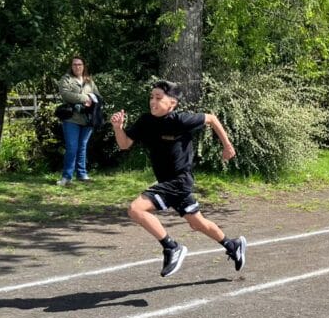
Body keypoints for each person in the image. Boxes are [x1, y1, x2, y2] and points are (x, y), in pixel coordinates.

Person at [109, 80, 247, 278]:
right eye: (151, 97)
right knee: (197, 223)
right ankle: (232, 245)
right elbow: (124, 144)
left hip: (179, 181)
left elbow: (211, 118)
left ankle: (171, 247)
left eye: (158, 98)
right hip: (168, 183)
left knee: (136, 209)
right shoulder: (145, 121)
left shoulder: (180, 120)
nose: (153, 101)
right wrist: (118, 127)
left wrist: (227, 146)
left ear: (172, 103)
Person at [57, 55, 103, 186]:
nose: (77, 67)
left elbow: (98, 96)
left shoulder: (89, 81)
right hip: (71, 119)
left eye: (79, 64)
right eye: (75, 64)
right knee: (72, 147)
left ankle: (82, 175)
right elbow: (65, 94)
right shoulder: (66, 79)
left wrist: (93, 100)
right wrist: (85, 98)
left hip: (87, 119)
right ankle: (66, 178)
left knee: (82, 147)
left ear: (83, 66)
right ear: (71, 66)